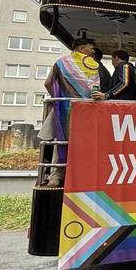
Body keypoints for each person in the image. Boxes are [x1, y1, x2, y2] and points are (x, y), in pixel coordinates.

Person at [40, 37, 103, 187]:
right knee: (83, 142)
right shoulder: (92, 65)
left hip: (63, 108)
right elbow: (95, 90)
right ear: (81, 48)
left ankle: (56, 176)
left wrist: (57, 98)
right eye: (90, 48)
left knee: (61, 141)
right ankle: (80, 175)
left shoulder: (61, 62)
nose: (92, 51)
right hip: (84, 110)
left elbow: (48, 82)